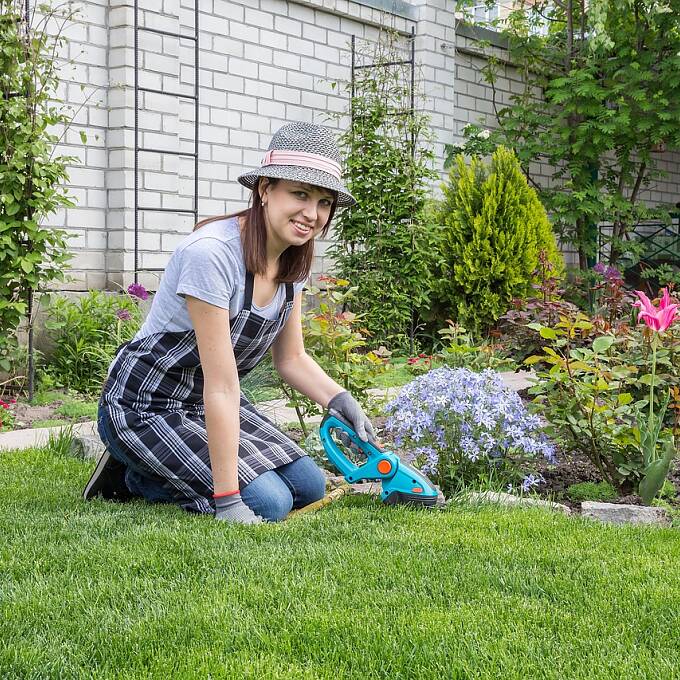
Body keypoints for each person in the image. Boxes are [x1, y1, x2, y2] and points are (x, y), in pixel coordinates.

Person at [84, 122, 377, 524]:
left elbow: (291, 358)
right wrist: (227, 500)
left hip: (209, 402)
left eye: (324, 202)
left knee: (309, 486)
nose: (312, 214)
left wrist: (339, 399)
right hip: (146, 405)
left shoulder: (293, 260)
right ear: (265, 189)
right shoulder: (212, 254)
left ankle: (161, 464)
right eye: (300, 194)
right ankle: (134, 474)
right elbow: (222, 385)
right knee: (269, 504)